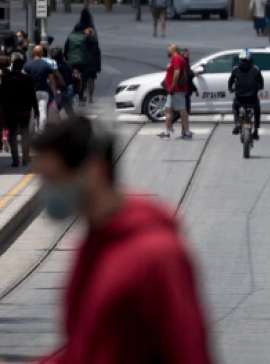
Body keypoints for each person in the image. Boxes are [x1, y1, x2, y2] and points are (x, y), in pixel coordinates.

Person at [25, 117, 213, 363]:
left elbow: (189, 351)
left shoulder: (158, 254)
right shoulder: (90, 246)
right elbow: (89, 348)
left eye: (52, 179)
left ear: (93, 170)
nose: (46, 191)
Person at [1, 53, 39, 167]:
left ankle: (15, 159)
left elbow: (2, 95)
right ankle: (25, 157)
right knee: (25, 134)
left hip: (10, 111)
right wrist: (36, 109)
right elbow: (32, 95)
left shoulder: (6, 78)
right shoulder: (26, 78)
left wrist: (3, 109)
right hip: (24, 110)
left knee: (12, 134)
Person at [159, 43, 192, 139]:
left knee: (182, 110)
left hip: (176, 89)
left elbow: (177, 72)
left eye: (169, 49)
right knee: (168, 110)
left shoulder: (176, 58)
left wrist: (173, 85)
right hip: (174, 89)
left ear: (173, 50)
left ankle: (186, 132)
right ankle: (166, 132)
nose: (167, 51)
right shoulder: (179, 59)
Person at [229, 50, 264, 141]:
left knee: (235, 106)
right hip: (252, 98)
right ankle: (256, 131)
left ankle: (237, 122)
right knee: (257, 110)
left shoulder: (235, 69)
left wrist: (230, 89)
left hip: (240, 98)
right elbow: (261, 83)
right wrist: (259, 87)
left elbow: (230, 82)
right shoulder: (255, 69)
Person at [24, 45, 58, 133]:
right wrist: (54, 92)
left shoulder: (27, 65)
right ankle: (41, 130)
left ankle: (30, 130)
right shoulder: (46, 65)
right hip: (43, 91)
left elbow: (24, 79)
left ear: (33, 53)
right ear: (42, 53)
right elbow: (51, 81)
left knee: (31, 112)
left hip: (30, 92)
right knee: (42, 111)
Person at [65, 20, 100, 103]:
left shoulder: (70, 37)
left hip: (72, 62)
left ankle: (73, 95)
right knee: (85, 80)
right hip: (83, 62)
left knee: (73, 78)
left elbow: (66, 49)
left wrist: (67, 59)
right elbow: (94, 48)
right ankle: (84, 97)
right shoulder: (85, 39)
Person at [50, 47, 77, 118]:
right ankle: (74, 124)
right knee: (68, 109)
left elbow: (57, 77)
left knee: (54, 109)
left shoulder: (54, 66)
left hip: (60, 90)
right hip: (68, 89)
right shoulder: (66, 64)